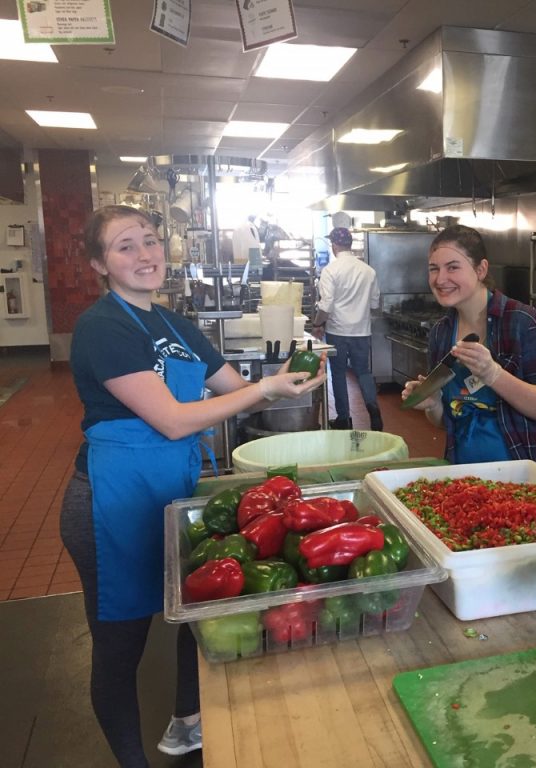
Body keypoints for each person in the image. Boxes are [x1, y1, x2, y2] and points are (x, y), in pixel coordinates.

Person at [59, 205, 325, 767]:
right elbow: (176, 420)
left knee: (197, 608)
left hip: (174, 493)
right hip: (114, 501)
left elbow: (234, 387)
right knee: (121, 644)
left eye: (150, 242)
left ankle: (187, 722)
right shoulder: (100, 328)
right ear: (98, 263)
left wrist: (288, 385)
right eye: (125, 245)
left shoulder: (177, 326)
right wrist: (264, 392)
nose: (144, 254)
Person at [401, 225, 536, 473]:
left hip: (526, 477)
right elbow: (447, 422)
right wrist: (433, 403)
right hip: (466, 478)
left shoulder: (523, 322)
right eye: (434, 269)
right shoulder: (441, 332)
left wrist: (493, 374)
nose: (440, 279)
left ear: (481, 269)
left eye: (453, 267)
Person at [310, 226, 383, 431]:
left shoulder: (331, 270)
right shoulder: (368, 271)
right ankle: (373, 409)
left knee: (339, 373)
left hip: (338, 331)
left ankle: (344, 419)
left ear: (334, 245)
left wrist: (317, 324)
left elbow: (326, 305)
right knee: (363, 372)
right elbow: (375, 304)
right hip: (362, 330)